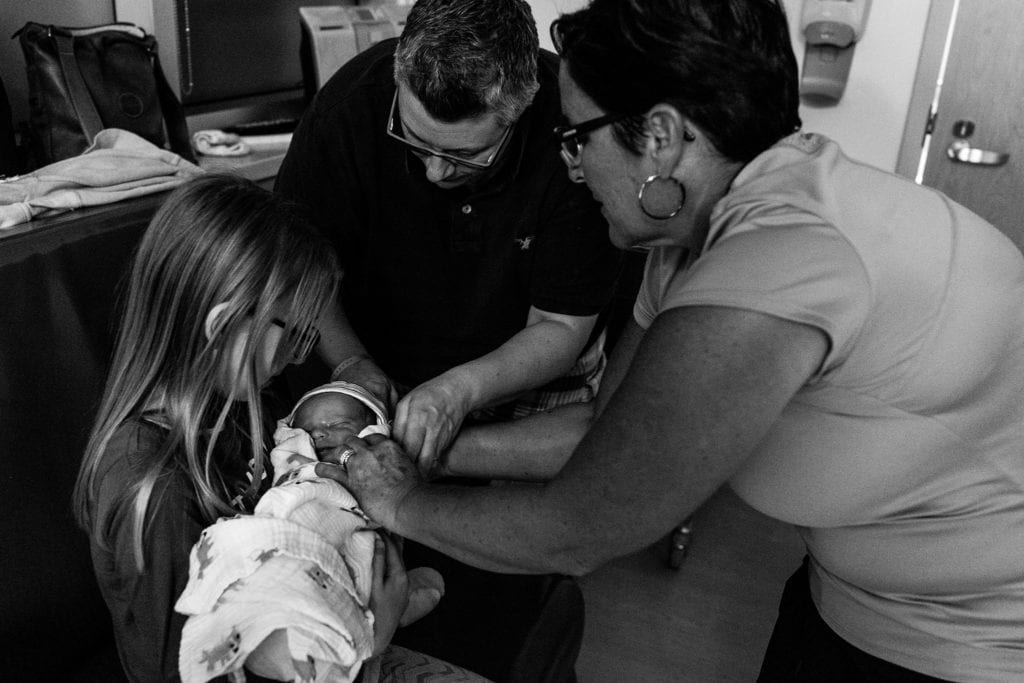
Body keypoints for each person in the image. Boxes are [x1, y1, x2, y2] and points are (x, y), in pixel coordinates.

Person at [320, 1, 1024, 681]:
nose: (570, 167)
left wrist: (403, 502)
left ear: (659, 136)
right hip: (847, 598)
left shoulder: (780, 257)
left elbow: (581, 526)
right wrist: (408, 449)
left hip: (973, 641)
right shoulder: (689, 240)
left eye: (575, 137)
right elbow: (604, 430)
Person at [72, 175, 477, 682]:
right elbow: (186, 668)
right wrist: (374, 630)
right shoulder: (151, 487)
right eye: (295, 333)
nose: (301, 357)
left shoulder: (251, 407)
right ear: (222, 327)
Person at [275, 0, 622, 470]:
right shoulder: (348, 110)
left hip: (528, 369)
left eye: (465, 154)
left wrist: (458, 390)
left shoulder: (571, 131)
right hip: (371, 350)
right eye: (416, 142)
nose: (436, 173)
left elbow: (559, 326)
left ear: (518, 111)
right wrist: (350, 364)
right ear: (399, 77)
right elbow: (296, 270)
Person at [176, 380, 448, 682]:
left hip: (356, 539)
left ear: (373, 430)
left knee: (367, 565)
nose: (319, 433)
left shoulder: (383, 465)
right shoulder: (297, 464)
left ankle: (367, 616)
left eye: (338, 424)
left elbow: (386, 493)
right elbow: (289, 484)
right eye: (307, 429)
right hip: (294, 528)